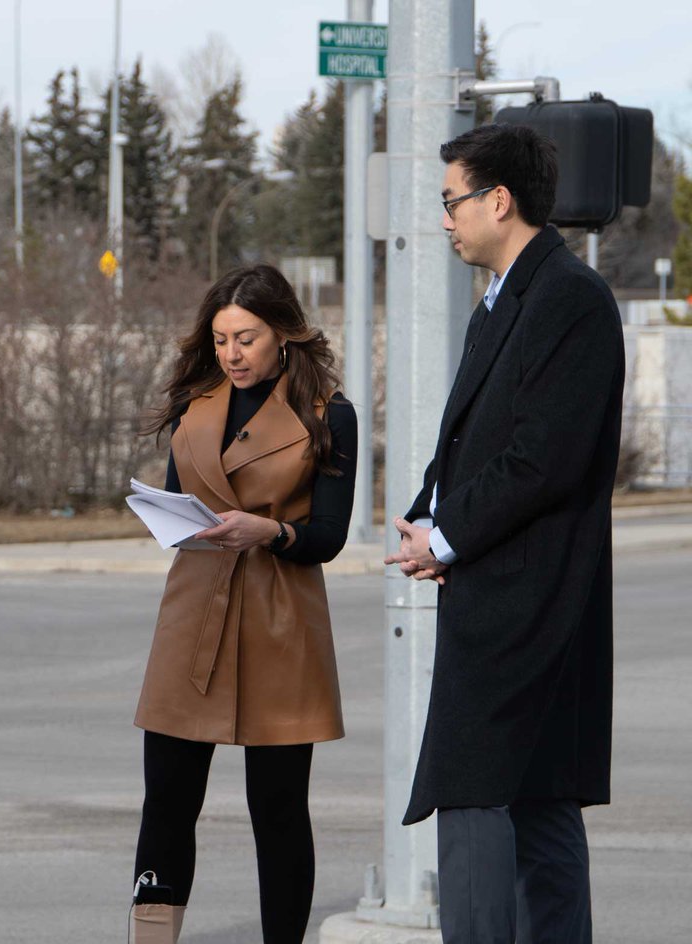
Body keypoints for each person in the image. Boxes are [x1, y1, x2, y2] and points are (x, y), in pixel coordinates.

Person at [384, 123, 624, 943]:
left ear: (499, 200)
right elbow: (475, 437)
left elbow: (542, 456)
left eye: (452, 201)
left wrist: (445, 536)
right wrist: (428, 511)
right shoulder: (503, 302)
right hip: (506, 595)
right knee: (534, 799)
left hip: (534, 605)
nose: (444, 221)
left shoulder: (569, 298)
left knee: (487, 799)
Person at [130, 264, 356, 944]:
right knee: (166, 800)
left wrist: (273, 531)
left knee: (280, 808)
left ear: (285, 334)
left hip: (280, 617)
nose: (231, 353)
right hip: (193, 612)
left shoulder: (328, 414)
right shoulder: (195, 405)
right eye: (222, 337)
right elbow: (181, 497)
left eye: (247, 338)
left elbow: (330, 537)